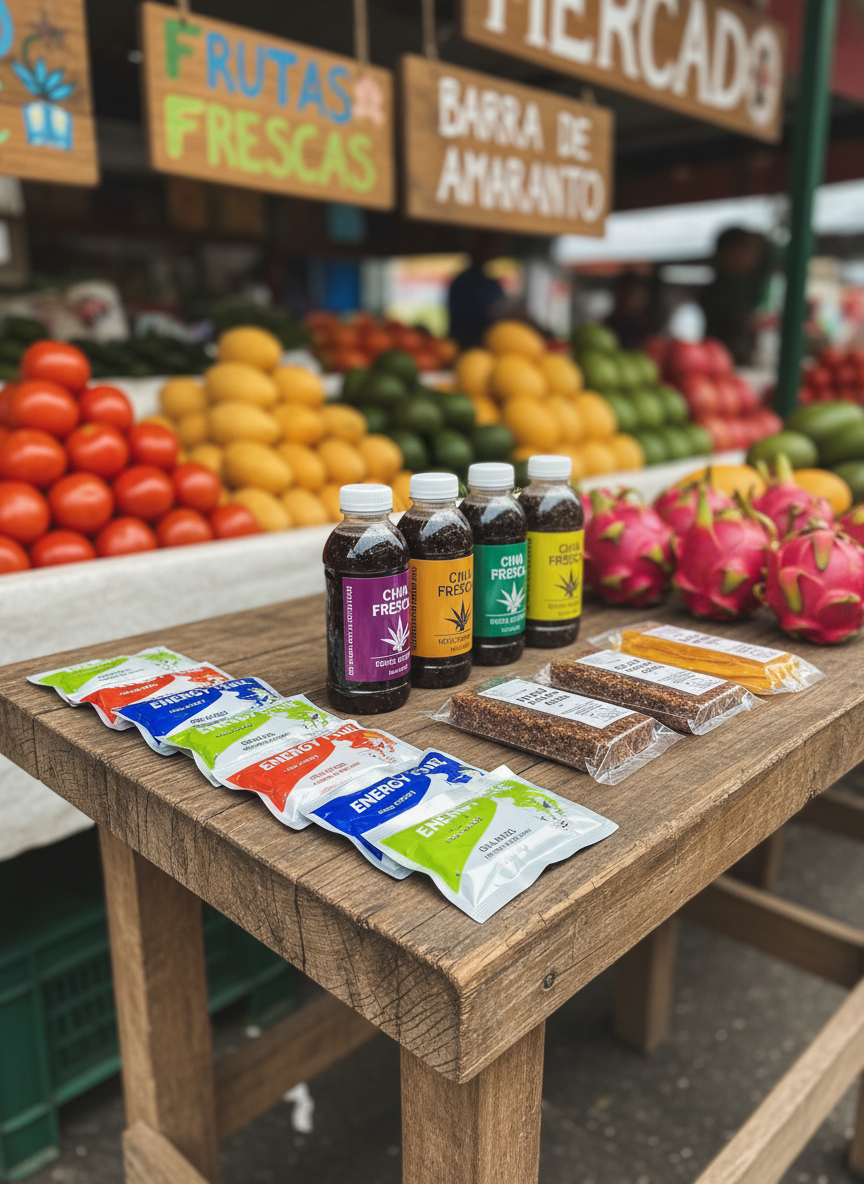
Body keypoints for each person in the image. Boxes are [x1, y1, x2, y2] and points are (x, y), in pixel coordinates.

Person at [700, 227, 773, 366]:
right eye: (749, 249)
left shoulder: (739, 288)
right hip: (723, 366)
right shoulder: (720, 292)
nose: (755, 256)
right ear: (731, 251)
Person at [447, 231, 509, 350]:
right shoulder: (463, 282)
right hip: (467, 347)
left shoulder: (491, 282)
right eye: (491, 244)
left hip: (490, 346)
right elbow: (489, 313)